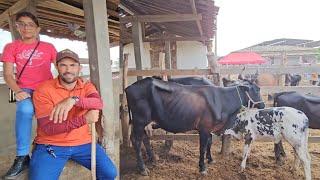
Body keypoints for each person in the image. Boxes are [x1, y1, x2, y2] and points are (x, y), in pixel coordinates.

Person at [29, 49, 117, 180]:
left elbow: (98, 103)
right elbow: (48, 128)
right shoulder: (43, 90)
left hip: (84, 144)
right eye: (63, 65)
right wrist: (84, 120)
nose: (68, 70)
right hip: (52, 145)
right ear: (56, 67)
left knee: (110, 173)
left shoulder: (86, 86)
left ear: (79, 68)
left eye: (72, 65)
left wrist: (73, 100)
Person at [1, 11, 57, 178]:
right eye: (22, 24)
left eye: (30, 24)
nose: (26, 28)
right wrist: (17, 91)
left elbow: (60, 65)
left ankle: (45, 149)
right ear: (17, 27)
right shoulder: (11, 47)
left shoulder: (48, 47)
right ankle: (22, 156)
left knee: (46, 116)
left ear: (37, 29)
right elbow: (8, 75)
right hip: (24, 88)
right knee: (25, 110)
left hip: (46, 88)